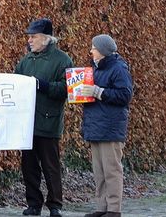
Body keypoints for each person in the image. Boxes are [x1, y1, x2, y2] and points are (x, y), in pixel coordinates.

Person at [15, 18, 73, 217]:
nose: (29, 40)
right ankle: (33, 204)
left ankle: (55, 205)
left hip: (49, 121)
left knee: (51, 166)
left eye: (34, 37)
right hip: (27, 122)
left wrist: (44, 86)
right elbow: (16, 84)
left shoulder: (62, 60)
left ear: (46, 38)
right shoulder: (26, 60)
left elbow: (67, 89)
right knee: (29, 167)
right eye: (29, 37)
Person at [81, 35, 133, 217]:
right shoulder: (94, 69)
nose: (91, 50)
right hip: (96, 126)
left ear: (102, 51)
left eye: (94, 47)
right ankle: (102, 207)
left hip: (110, 128)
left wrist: (98, 92)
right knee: (99, 171)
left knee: (111, 170)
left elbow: (125, 96)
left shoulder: (119, 68)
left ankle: (113, 209)